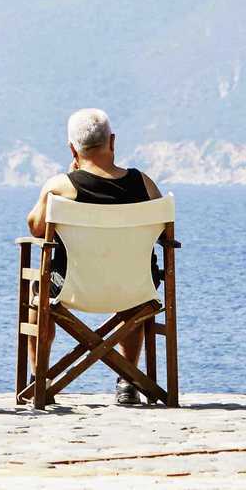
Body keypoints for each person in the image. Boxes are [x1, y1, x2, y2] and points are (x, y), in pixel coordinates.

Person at [26, 107, 163, 406]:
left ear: (72, 148)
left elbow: (36, 229)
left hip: (71, 289)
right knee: (136, 283)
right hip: (135, 290)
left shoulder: (61, 187)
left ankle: (41, 379)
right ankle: (128, 381)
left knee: (39, 287)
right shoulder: (145, 184)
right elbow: (165, 234)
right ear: (112, 142)